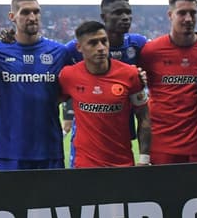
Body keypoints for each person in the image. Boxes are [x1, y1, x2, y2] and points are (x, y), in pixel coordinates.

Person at [0, 0, 76, 171]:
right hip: (11, 150)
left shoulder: (59, 52)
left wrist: (66, 112)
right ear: (12, 17)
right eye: (25, 12)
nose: (32, 17)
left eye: (36, 12)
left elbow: (75, 85)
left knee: (54, 199)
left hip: (49, 150)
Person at [57, 21, 150, 168]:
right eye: (93, 43)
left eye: (104, 41)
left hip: (122, 164)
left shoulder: (130, 74)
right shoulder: (68, 75)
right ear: (79, 48)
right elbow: (51, 103)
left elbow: (144, 116)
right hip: (84, 165)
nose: (101, 48)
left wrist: (144, 159)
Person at [139, 0, 197, 165]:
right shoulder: (151, 51)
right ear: (170, 15)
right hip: (162, 144)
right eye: (182, 13)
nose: (188, 18)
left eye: (193, 13)